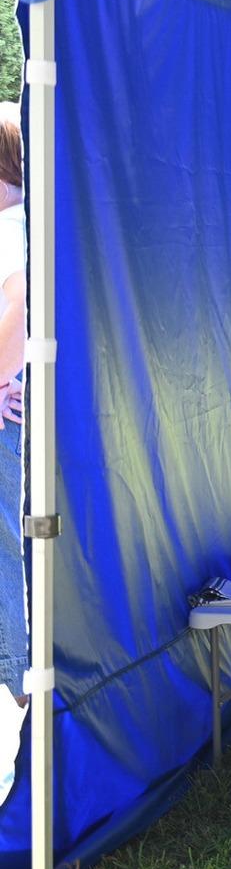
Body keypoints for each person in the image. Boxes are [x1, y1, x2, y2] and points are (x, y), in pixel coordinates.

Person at [0, 104, 24, 709]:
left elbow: (21, 309)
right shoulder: (31, 221)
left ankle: (21, 673)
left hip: (7, 417)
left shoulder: (11, 226)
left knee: (10, 546)